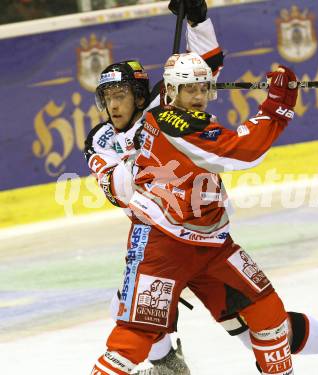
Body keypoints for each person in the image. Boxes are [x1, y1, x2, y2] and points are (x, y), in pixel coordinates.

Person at [89, 51, 318, 375]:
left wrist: (198, 18)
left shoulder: (183, 120)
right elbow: (241, 151)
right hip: (162, 245)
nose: (199, 96)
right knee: (134, 335)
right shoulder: (164, 125)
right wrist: (276, 107)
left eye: (203, 88)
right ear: (169, 92)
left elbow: (207, 63)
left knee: (267, 315)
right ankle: (166, 364)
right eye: (190, 89)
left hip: (211, 242)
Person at [84, 1, 222, 374]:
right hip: (153, 236)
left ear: (140, 96)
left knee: (246, 322)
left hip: (196, 226)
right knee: (126, 310)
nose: (113, 105)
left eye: (120, 96)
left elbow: (205, 70)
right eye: (107, 98)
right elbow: (117, 192)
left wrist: (198, 20)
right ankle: (168, 364)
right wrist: (144, 153)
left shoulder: (166, 107)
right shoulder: (99, 140)